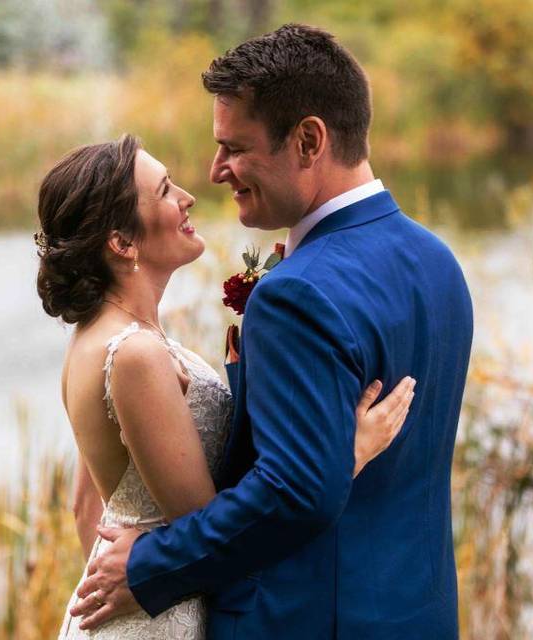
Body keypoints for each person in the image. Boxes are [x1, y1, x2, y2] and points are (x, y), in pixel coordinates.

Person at [68, 24, 473, 640]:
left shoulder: (296, 292)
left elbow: (296, 490)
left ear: (308, 140)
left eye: (235, 147)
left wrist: (149, 565)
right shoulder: (437, 260)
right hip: (420, 613)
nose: (216, 170)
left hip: (308, 620)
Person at [36, 132, 415, 639]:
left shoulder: (97, 338)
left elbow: (88, 507)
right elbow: (210, 527)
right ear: (123, 243)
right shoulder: (135, 355)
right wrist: (343, 456)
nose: (187, 197)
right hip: (161, 611)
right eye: (166, 190)